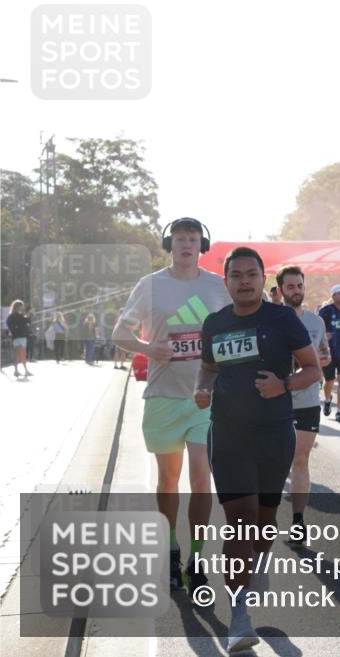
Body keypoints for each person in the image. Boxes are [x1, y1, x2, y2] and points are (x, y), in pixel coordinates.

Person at [194, 247, 319, 652]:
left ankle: (260, 561)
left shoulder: (282, 319)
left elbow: (313, 369)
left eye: (251, 275)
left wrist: (284, 385)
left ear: (263, 280)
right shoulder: (215, 323)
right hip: (228, 433)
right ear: (226, 281)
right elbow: (208, 367)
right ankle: (239, 616)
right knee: (240, 521)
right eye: (237, 275)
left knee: (264, 521)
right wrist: (202, 388)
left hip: (274, 433)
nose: (244, 281)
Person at [112, 217, 232, 593]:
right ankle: (171, 548)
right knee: (167, 480)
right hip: (163, 397)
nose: (186, 245)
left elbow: (238, 326)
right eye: (179, 238)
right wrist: (149, 349)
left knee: (201, 479)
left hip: (204, 397)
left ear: (202, 246)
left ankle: (196, 559)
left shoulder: (218, 286)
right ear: (170, 244)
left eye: (193, 239)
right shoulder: (150, 285)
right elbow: (119, 333)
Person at [277, 265, 331, 542]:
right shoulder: (271, 319)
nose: (296, 291)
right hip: (275, 398)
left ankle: (298, 521)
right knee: (275, 461)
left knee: (300, 459)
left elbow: (325, 354)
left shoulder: (316, 321)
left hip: (307, 399)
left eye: (299, 286)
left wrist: (322, 359)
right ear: (281, 290)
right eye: (290, 287)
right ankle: (265, 517)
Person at [317, 284, 340, 423]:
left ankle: (339, 411)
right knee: (329, 381)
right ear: (333, 296)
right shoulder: (325, 311)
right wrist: (324, 336)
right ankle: (327, 399)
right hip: (329, 351)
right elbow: (318, 330)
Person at [6, 300, 33, 377]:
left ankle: (17, 371)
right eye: (21, 306)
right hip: (20, 336)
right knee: (22, 353)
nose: (22, 307)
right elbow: (27, 321)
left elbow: (27, 321)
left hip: (16, 337)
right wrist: (28, 315)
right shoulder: (18, 315)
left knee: (18, 354)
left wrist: (28, 315)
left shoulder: (11, 316)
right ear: (17, 307)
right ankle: (25, 371)